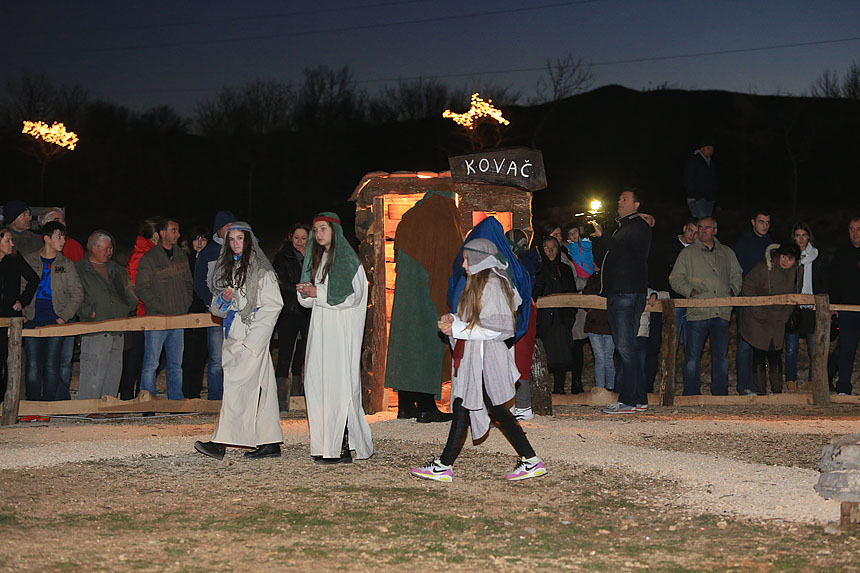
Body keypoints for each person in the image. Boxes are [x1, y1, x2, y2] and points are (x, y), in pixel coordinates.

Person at [410, 238, 547, 483]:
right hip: (477, 357)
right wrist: (453, 319)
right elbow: (473, 318)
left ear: (479, 259)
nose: (463, 264)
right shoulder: (477, 283)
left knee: (490, 408)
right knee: (466, 405)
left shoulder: (493, 285)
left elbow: (498, 328)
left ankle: (530, 460)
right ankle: (445, 465)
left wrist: (459, 330)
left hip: (487, 358)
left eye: (466, 259)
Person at [194, 222, 285, 460]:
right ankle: (270, 441)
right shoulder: (228, 270)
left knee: (236, 388)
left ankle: (221, 441)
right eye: (231, 239)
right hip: (234, 334)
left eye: (239, 239)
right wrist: (223, 301)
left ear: (248, 240)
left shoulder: (262, 272)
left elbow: (273, 305)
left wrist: (254, 339)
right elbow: (219, 309)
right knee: (262, 390)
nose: (235, 243)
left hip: (251, 336)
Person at [298, 212, 373, 464]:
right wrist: (307, 293)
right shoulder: (320, 260)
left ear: (334, 231)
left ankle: (340, 447)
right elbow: (312, 299)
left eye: (323, 229)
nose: (318, 234)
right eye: (316, 230)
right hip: (320, 332)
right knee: (318, 384)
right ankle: (323, 445)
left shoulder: (348, 261)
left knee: (338, 387)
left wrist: (317, 292)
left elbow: (351, 296)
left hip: (340, 334)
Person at [384, 188, 463, 423]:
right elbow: (448, 264)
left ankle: (406, 405)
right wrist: (447, 303)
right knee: (428, 349)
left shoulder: (409, 218)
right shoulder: (442, 218)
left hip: (405, 298)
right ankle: (426, 407)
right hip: (430, 296)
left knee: (407, 348)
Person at [592, 188, 652, 414]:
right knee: (628, 347)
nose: (619, 201)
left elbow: (625, 251)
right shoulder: (621, 228)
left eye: (625, 198)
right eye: (619, 198)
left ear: (636, 204)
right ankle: (638, 399)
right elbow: (608, 256)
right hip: (619, 292)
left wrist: (605, 237)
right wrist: (600, 238)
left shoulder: (638, 227)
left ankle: (629, 399)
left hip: (626, 292)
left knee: (626, 346)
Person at [669, 217, 743, 396]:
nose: (702, 231)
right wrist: (691, 292)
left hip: (721, 311)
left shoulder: (726, 253)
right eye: (700, 228)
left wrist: (732, 291)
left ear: (715, 231)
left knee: (721, 357)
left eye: (707, 228)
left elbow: (737, 274)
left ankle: (720, 393)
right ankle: (692, 394)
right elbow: (675, 278)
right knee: (692, 358)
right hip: (697, 312)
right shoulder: (687, 254)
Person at [22, 221, 82, 401]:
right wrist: (23, 312)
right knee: (32, 365)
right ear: (46, 238)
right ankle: (32, 406)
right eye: (59, 236)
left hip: (56, 320)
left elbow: (77, 293)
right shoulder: (29, 260)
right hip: (33, 319)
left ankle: (47, 406)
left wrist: (64, 316)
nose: (63, 240)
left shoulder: (66, 263)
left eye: (63, 236)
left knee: (52, 364)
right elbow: (21, 288)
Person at [75, 231, 138, 400]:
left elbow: (130, 290)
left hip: (117, 328)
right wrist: (89, 312)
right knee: (94, 370)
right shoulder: (79, 269)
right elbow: (75, 294)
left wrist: (127, 307)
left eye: (111, 249)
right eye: (106, 248)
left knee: (113, 371)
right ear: (94, 247)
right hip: (95, 328)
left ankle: (108, 406)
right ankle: (88, 408)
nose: (110, 252)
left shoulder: (116, 269)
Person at [135, 217, 193, 400]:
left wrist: (185, 302)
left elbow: (188, 283)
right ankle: (147, 401)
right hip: (157, 319)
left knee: (176, 364)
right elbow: (141, 288)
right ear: (162, 233)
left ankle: (175, 401)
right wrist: (158, 306)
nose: (178, 234)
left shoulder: (180, 256)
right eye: (174, 230)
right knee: (151, 363)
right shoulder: (150, 258)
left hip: (178, 317)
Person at [741, 244, 802, 395]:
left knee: (775, 354)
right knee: (759, 354)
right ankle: (761, 391)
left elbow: (794, 295)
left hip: (778, 319)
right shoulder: (763, 268)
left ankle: (777, 391)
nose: (785, 261)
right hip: (758, 319)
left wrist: (785, 315)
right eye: (783, 256)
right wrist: (757, 309)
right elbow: (747, 286)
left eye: (790, 259)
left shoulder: (795, 273)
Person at [39, 207, 84, 399]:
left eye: (63, 220)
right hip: (46, 315)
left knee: (64, 360)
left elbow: (78, 287)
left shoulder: (72, 249)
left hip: (66, 312)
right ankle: (45, 400)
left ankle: (61, 398)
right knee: (46, 361)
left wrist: (67, 314)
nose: (62, 223)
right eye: (57, 220)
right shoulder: (37, 255)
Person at [194, 210, 237, 401]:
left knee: (236, 358)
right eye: (227, 226)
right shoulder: (208, 253)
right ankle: (215, 399)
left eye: (233, 226)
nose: (230, 230)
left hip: (238, 313)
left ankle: (233, 398)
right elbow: (199, 281)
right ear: (218, 229)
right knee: (216, 360)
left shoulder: (240, 249)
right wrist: (211, 302)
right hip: (215, 314)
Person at [733, 209, 774, 396]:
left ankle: (759, 385)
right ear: (753, 222)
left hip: (766, 302)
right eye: (761, 222)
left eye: (766, 222)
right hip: (746, 300)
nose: (764, 226)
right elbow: (736, 273)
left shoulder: (773, 245)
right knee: (744, 344)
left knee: (762, 344)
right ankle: (744, 385)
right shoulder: (742, 245)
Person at [272, 222, 312, 410]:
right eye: (297, 238)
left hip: (308, 310)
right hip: (289, 309)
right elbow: (278, 282)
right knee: (285, 352)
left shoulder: (314, 256)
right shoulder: (282, 257)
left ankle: (298, 391)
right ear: (290, 237)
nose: (300, 242)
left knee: (304, 352)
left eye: (303, 238)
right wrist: (296, 289)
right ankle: (280, 399)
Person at [119, 217, 159, 400]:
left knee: (146, 358)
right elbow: (135, 286)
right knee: (135, 357)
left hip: (149, 311)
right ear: (157, 235)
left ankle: (139, 394)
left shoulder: (152, 252)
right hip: (140, 312)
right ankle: (128, 397)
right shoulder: (141, 254)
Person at [785, 222, 827, 389]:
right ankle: (791, 382)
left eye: (804, 235)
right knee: (791, 348)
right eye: (797, 235)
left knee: (813, 348)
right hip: (794, 307)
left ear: (808, 236)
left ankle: (812, 382)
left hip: (813, 307)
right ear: (793, 237)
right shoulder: (789, 257)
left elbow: (824, 282)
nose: (801, 239)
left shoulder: (818, 256)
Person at [533, 236, 577, 394]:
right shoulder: (537, 269)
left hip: (562, 319)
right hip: (544, 319)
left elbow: (572, 293)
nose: (550, 251)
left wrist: (569, 316)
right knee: (545, 355)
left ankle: (559, 389)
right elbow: (534, 293)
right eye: (546, 247)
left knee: (562, 355)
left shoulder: (564, 269)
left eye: (554, 247)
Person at [0, 226, 39, 400]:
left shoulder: (15, 259)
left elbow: (33, 279)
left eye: (11, 240)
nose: (12, 243)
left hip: (10, 318)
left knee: (9, 361)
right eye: (7, 240)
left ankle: (6, 400)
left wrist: (22, 301)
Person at [506, 228, 540, 421]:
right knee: (518, 359)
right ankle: (518, 405)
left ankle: (521, 406)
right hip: (523, 309)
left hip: (520, 310)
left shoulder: (520, 263)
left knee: (518, 358)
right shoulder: (523, 261)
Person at [828, 216, 860, 396]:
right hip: (847, 310)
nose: (855, 233)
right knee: (846, 349)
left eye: (858, 228)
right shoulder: (841, 254)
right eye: (852, 229)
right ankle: (843, 388)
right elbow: (834, 282)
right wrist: (833, 306)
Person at [182, 226, 210, 399]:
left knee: (202, 353)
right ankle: (188, 391)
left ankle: (196, 390)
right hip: (189, 310)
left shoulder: (211, 259)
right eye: (196, 239)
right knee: (189, 353)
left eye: (203, 239)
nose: (199, 243)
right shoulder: (186, 260)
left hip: (207, 311)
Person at [583, 264, 615, 390]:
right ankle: (601, 388)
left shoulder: (612, 278)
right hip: (594, 324)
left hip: (609, 324)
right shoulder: (593, 280)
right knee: (601, 357)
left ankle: (610, 388)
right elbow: (585, 299)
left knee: (607, 357)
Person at [683, 139, 717, 218]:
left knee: (707, 222)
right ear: (702, 149)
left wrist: (713, 196)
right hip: (697, 199)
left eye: (712, 148)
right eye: (708, 148)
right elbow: (688, 179)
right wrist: (695, 195)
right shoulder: (694, 161)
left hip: (709, 199)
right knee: (701, 223)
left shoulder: (711, 163)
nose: (711, 150)